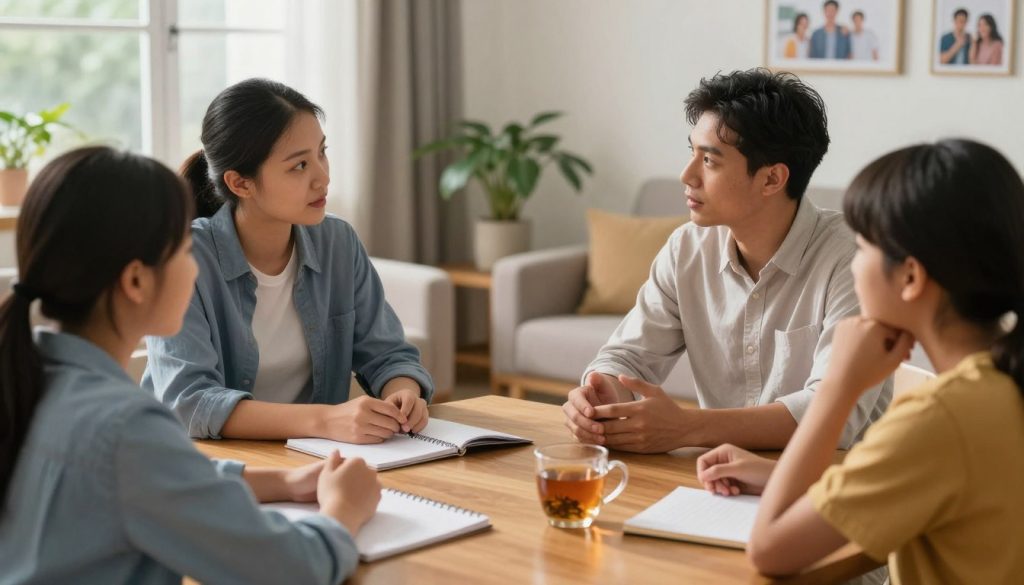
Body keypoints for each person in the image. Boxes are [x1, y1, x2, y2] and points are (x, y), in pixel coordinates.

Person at [0, 146, 382, 584]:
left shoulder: (31, 378)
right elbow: (292, 569)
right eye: (184, 250)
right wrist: (342, 511)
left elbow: (153, 478)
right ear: (137, 281)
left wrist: (283, 482)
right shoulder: (126, 427)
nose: (196, 265)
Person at [697, 139, 1024, 584]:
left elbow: (770, 550)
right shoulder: (995, 388)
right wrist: (780, 476)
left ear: (910, 276)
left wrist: (838, 387)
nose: (854, 264)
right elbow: (931, 477)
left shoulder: (940, 417)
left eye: (863, 247)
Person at [562, 68, 891, 454]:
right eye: (691, 152)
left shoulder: (855, 261)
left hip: (832, 486)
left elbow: (837, 416)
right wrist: (599, 394)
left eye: (710, 161)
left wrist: (686, 428)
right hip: (720, 478)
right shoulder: (688, 248)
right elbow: (627, 357)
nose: (687, 175)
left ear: (771, 180)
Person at [143, 78, 434, 442]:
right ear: (240, 184)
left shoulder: (338, 243)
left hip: (314, 461)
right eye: (299, 166)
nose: (323, 177)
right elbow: (190, 402)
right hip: (208, 467)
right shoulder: (182, 259)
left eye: (321, 153)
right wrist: (325, 421)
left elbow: (388, 353)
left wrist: (403, 392)